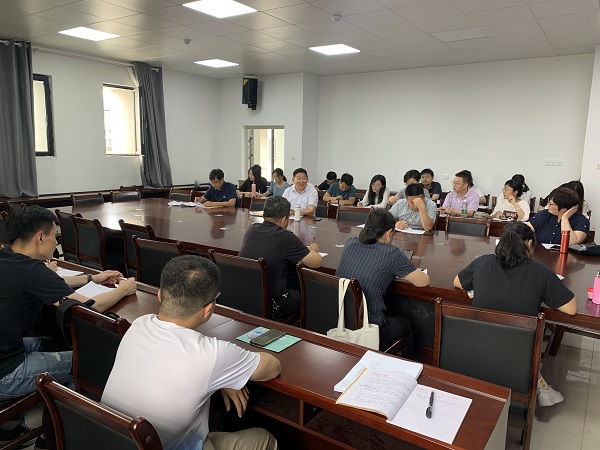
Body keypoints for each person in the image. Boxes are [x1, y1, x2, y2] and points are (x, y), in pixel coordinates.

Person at [102, 256, 280, 450]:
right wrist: (228, 372)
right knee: (265, 439)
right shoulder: (213, 354)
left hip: (110, 439)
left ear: (160, 295)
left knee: (213, 415)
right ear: (208, 310)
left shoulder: (139, 324)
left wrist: (227, 376)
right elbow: (272, 367)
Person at [0, 207, 136, 416]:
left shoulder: (7, 256)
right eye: (55, 236)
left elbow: (50, 282)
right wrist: (123, 290)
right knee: (90, 363)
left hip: (7, 351)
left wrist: (93, 278)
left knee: (54, 343)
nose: (56, 242)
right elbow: (90, 306)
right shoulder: (33, 271)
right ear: (40, 237)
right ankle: (54, 423)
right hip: (6, 373)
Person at [453, 222, 577, 406]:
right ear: (529, 243)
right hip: (519, 355)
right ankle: (537, 380)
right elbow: (571, 308)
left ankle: (539, 382)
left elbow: (457, 282)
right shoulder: (540, 271)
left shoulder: (483, 262)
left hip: (477, 347)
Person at [336, 209, 430, 353]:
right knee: (406, 324)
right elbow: (423, 281)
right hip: (370, 329)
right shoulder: (392, 253)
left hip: (341, 321)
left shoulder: (351, 243)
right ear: (389, 233)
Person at [239, 196, 322, 320]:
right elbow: (316, 262)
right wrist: (313, 250)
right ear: (284, 219)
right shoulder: (285, 237)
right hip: (273, 305)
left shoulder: (252, 230)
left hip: (245, 299)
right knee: (311, 293)